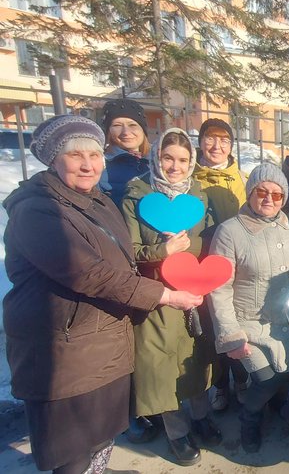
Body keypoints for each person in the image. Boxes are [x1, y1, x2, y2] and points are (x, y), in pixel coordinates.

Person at [3, 115, 202, 474]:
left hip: (106, 337)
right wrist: (166, 295)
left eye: (94, 155)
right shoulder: (37, 210)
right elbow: (89, 274)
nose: (87, 164)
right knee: (72, 444)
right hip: (65, 347)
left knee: (102, 430)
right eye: (75, 155)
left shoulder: (98, 202)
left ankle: (96, 468)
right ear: (54, 160)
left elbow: (124, 258)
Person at [121, 128, 219, 466]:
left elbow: (208, 240)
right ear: (156, 158)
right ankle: (177, 433)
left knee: (194, 360)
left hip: (193, 290)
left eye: (182, 160)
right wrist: (163, 250)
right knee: (162, 367)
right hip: (157, 295)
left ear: (191, 162)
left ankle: (202, 417)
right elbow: (128, 250)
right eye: (168, 158)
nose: (175, 167)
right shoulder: (137, 195)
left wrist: (186, 247)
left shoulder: (198, 195)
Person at [207, 163, 289, 453]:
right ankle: (249, 416)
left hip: (286, 319)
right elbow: (219, 288)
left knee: (288, 373)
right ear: (250, 192)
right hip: (247, 323)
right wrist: (231, 335)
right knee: (266, 378)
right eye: (261, 191)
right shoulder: (229, 232)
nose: (268, 199)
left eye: (277, 195)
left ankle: (273, 400)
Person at [192, 118, 251, 412]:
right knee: (208, 329)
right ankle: (218, 386)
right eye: (210, 139)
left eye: (224, 141)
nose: (217, 146)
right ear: (201, 142)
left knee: (234, 322)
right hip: (198, 266)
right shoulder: (190, 177)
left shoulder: (241, 178)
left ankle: (240, 380)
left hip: (234, 265)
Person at [99, 99, 151, 208]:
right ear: (108, 131)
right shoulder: (99, 166)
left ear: (143, 129)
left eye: (132, 125)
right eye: (117, 125)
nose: (126, 132)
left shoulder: (159, 162)